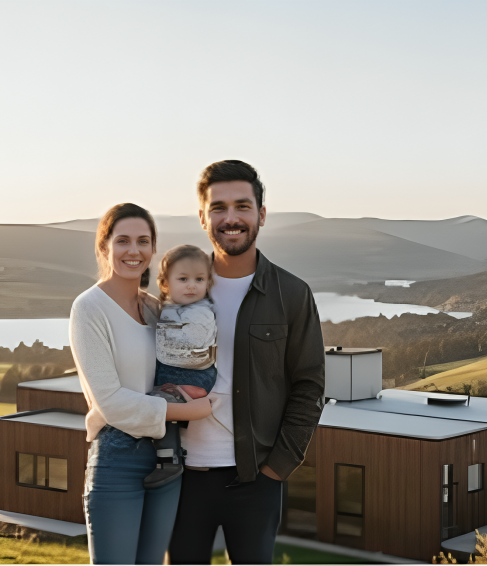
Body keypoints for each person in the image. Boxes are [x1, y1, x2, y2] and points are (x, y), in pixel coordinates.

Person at [167, 160, 326, 564]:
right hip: (180, 477)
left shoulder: (291, 294)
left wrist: (278, 468)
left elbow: (309, 387)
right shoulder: (176, 292)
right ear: (202, 217)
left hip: (256, 478)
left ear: (261, 215)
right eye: (218, 208)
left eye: (242, 206)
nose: (231, 218)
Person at [70, 203, 214, 565]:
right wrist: (188, 410)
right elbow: (112, 403)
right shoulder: (89, 308)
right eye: (122, 240)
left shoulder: (156, 309)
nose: (133, 250)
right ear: (105, 247)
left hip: (167, 455)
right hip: (118, 457)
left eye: (143, 241)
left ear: (152, 250)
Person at [143, 244, 218, 489]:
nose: (191, 285)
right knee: (164, 411)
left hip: (192, 376)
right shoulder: (172, 309)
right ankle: (183, 456)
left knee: (158, 404)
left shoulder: (200, 312)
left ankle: (169, 461)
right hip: (182, 373)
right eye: (183, 279)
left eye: (199, 279)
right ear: (165, 284)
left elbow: (194, 345)